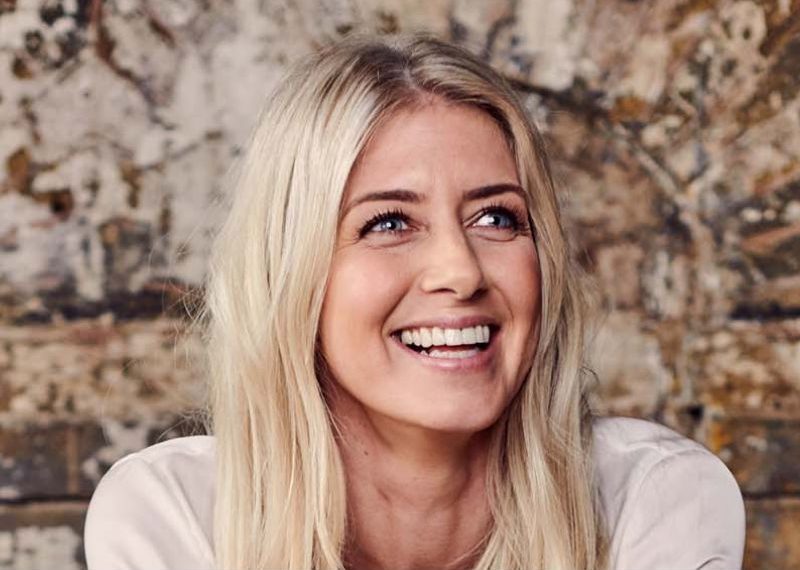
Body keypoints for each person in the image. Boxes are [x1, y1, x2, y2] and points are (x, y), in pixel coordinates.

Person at [83, 34, 745, 570]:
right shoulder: (174, 514)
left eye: (496, 218)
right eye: (389, 223)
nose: (460, 271)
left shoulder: (653, 499)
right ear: (292, 275)